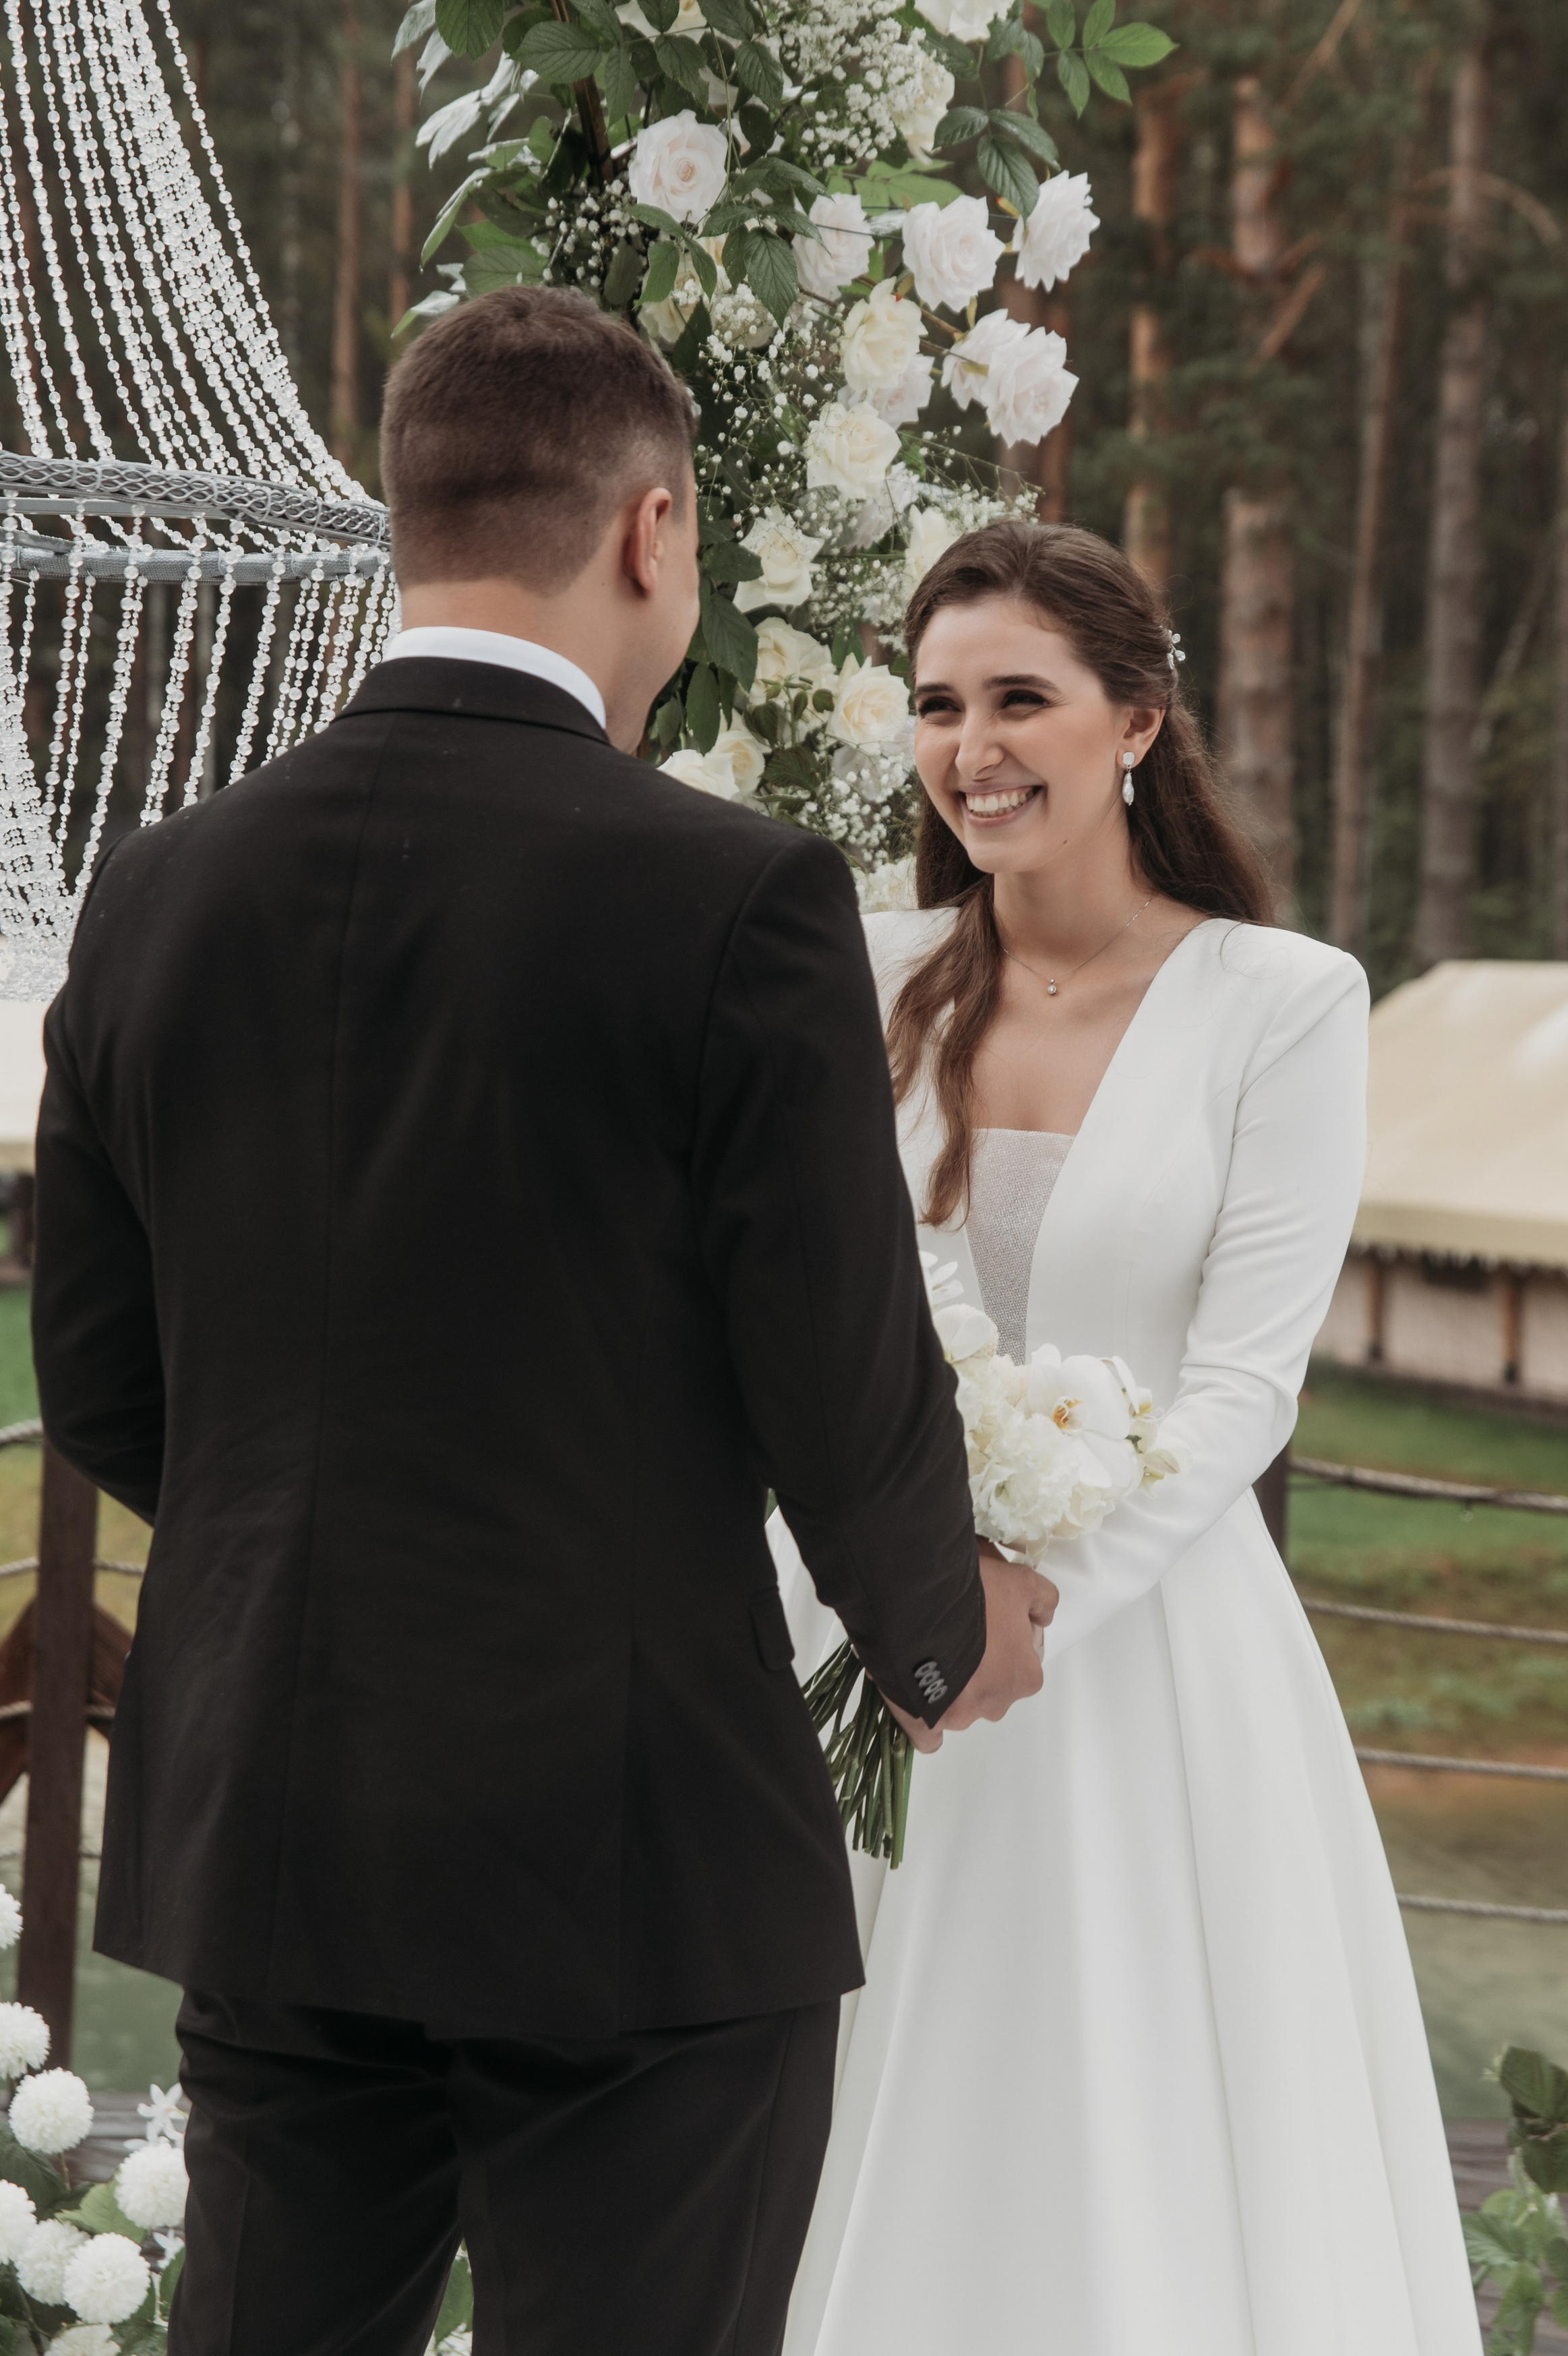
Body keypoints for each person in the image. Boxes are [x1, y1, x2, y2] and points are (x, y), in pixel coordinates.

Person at [28, 290, 1056, 2356]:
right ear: (654, 531)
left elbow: (113, 1382)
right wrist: (940, 1616)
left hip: (277, 1832)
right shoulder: (732, 898)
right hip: (629, 1855)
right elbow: (829, 1351)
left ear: (407, 521)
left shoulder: (155, 890)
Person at [769, 520, 1484, 2356]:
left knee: (1143, 2100)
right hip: (871, 1624)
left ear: (1140, 722)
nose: (972, 746)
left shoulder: (1284, 1001)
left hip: (1155, 1653)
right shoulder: (867, 974)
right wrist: (930, 1580)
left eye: (1022, 697)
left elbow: (1251, 1381)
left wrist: (1035, 1593)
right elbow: (848, 1301)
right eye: (938, 704)